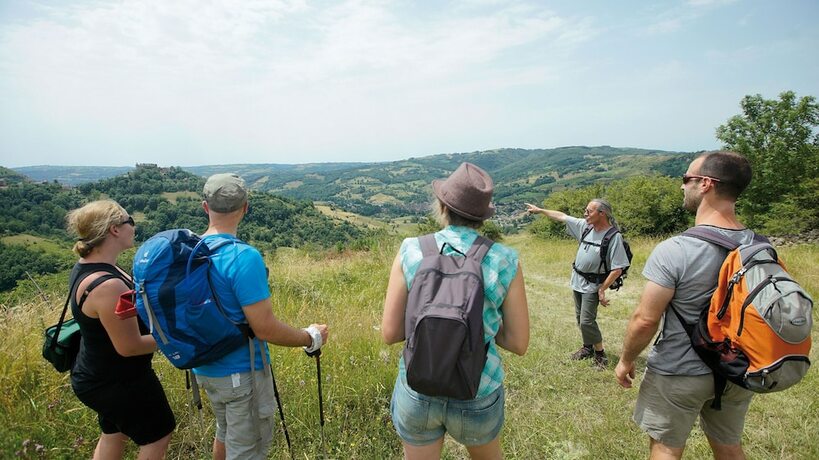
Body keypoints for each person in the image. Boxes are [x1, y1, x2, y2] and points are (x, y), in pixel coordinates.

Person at [382, 162, 530, 460]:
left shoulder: (411, 249)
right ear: (483, 217)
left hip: (418, 387)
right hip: (478, 388)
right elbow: (518, 343)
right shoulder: (504, 259)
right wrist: (479, 325)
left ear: (442, 206)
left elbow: (390, 333)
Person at [614, 151, 756, 459]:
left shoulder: (676, 249)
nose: (682, 186)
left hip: (679, 372)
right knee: (729, 447)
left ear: (706, 184)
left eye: (686, 179)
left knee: (665, 449)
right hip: (736, 369)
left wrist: (626, 360)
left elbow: (645, 320)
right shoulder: (759, 245)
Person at [190, 173, 329, 460]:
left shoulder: (189, 251)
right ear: (245, 208)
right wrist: (310, 337)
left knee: (224, 431)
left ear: (205, 207)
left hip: (203, 368)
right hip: (241, 374)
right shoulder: (244, 257)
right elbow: (264, 328)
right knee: (247, 450)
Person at [66, 200, 175, 459]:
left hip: (98, 374)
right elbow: (129, 346)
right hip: (118, 380)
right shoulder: (108, 285)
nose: (133, 227)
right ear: (114, 229)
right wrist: (175, 338)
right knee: (158, 436)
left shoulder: (92, 266)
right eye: (130, 221)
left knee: (114, 433)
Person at [525, 199, 629, 369]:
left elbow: (617, 269)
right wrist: (540, 210)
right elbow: (562, 216)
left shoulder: (613, 236)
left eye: (589, 211)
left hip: (593, 285)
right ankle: (587, 348)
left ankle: (600, 355)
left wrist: (602, 289)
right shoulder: (585, 226)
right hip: (577, 281)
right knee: (580, 318)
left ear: (602, 214)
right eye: (585, 210)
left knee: (587, 321)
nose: (585, 214)